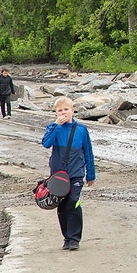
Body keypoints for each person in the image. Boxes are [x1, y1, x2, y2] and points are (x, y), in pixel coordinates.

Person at [42, 97, 96, 251]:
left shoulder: (81, 130)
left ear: (73, 110)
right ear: (56, 113)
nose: (63, 112)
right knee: (63, 205)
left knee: (73, 202)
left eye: (66, 109)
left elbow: (88, 152)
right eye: (60, 110)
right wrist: (57, 126)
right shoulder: (53, 127)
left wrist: (90, 174)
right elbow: (46, 143)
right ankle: (66, 238)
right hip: (58, 175)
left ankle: (74, 238)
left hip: (76, 173)